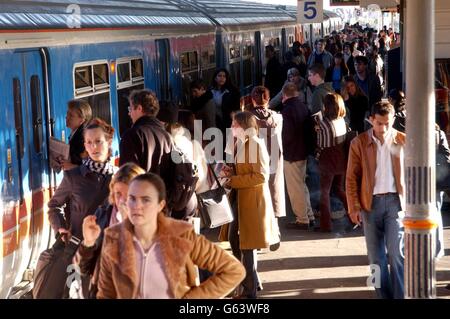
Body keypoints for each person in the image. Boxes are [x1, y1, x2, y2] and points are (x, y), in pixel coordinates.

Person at [96, 173, 245, 298]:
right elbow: (106, 293)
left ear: (160, 205)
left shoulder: (181, 235)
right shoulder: (113, 238)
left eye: (146, 199)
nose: (137, 206)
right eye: (132, 199)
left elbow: (233, 270)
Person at [346, 101, 405, 299]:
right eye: (379, 123)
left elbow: (414, 176)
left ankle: (400, 295)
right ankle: (382, 296)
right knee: (375, 260)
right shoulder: (359, 143)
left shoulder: (403, 141)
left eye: (387, 123)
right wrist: (353, 207)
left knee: (397, 254)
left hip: (396, 205)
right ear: (371, 120)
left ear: (394, 120)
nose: (383, 128)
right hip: (369, 205)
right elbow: (351, 178)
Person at [221, 111, 279, 299]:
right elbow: (247, 168)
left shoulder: (254, 143)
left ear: (243, 126)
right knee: (235, 240)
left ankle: (249, 290)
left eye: (234, 124)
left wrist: (233, 180)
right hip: (242, 198)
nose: (231, 127)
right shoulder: (243, 143)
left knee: (247, 245)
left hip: (252, 201)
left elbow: (261, 176)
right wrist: (232, 171)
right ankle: (250, 281)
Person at [73, 163, 145, 298]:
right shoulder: (103, 215)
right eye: (118, 194)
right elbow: (81, 269)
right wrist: (88, 243)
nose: (122, 200)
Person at [48, 118, 115, 242]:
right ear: (85, 146)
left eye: (98, 141)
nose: (93, 146)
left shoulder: (119, 177)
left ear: (109, 142)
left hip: (110, 250)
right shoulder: (73, 176)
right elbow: (54, 206)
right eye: (89, 142)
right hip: (80, 250)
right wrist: (61, 228)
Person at [248, 86, 285, 248]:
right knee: (273, 194)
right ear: (269, 100)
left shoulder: (247, 119)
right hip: (275, 161)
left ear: (252, 100)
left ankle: (261, 234)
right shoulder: (278, 118)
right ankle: (275, 233)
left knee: (258, 199)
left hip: (255, 162)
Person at [281, 83, 315, 229]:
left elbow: (286, 135)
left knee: (295, 189)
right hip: (302, 152)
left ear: (284, 95)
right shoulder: (303, 106)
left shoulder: (287, 110)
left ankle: (302, 219)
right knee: (301, 185)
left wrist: (282, 147)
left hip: (292, 154)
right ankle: (309, 215)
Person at [119, 89, 173, 176]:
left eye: (131, 109)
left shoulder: (131, 136)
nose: (129, 113)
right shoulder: (167, 136)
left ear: (139, 108)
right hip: (161, 188)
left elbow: (127, 174)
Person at [315, 94, 349, 232]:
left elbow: (319, 141)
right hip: (341, 158)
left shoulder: (322, 123)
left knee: (324, 192)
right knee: (339, 189)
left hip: (327, 159)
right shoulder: (342, 121)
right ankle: (355, 216)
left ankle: (325, 225)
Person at [62, 99, 92, 170]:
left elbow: (89, 168)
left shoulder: (83, 138)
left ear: (82, 120)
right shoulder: (75, 133)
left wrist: (70, 166)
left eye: (71, 115)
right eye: (67, 114)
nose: (67, 117)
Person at [210, 68, 241, 134]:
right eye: (219, 76)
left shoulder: (233, 91)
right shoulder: (211, 91)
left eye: (224, 76)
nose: (222, 78)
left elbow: (237, 108)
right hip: (215, 122)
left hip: (228, 122)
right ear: (215, 78)